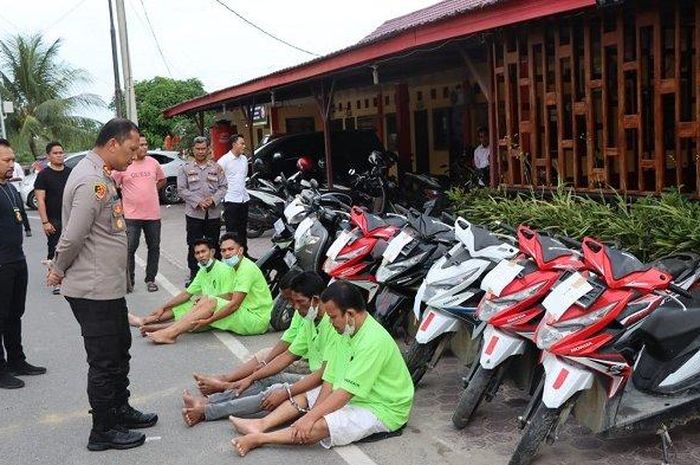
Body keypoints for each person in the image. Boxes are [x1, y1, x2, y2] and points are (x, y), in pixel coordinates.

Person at [47, 119, 157, 451]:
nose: (134, 153)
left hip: (108, 287)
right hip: (93, 290)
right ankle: (103, 430)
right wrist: (57, 269)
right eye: (130, 147)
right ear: (112, 144)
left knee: (119, 349)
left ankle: (119, 409)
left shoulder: (102, 174)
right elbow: (73, 235)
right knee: (104, 359)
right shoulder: (91, 180)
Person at [229, 280, 414, 457]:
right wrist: (312, 413)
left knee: (321, 425)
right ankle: (261, 424)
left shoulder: (373, 341)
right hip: (357, 395)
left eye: (332, 317)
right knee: (304, 397)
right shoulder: (344, 330)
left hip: (383, 408)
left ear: (349, 314)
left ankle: (260, 439)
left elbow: (345, 393)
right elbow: (330, 379)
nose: (330, 322)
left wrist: (311, 419)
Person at [181, 271, 336, 426]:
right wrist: (251, 377)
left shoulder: (333, 324)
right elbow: (288, 354)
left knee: (274, 390)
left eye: (299, 302)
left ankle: (208, 410)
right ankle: (210, 401)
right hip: (316, 376)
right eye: (292, 302)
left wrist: (287, 391)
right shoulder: (310, 319)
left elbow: (323, 375)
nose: (295, 307)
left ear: (316, 300)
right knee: (264, 377)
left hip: (325, 382)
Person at [192, 269, 305, 396]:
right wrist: (264, 363)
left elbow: (292, 351)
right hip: (300, 353)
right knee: (265, 357)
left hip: (310, 363)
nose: (291, 305)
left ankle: (226, 387)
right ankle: (226, 380)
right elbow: (288, 338)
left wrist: (264, 367)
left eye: (292, 299)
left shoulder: (314, 314)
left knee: (269, 373)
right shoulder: (301, 311)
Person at [146, 233, 272, 344]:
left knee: (209, 304)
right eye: (223, 250)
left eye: (230, 249)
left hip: (255, 319)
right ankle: (167, 330)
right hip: (246, 313)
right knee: (207, 300)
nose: (227, 253)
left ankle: (169, 332)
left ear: (240, 250)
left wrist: (209, 320)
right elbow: (230, 295)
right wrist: (208, 301)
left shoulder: (246, 269)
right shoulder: (235, 267)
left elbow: (234, 304)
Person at [0, 138, 45, 390]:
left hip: (17, 260)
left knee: (15, 314)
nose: (12, 164)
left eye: (13, 159)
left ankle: (17, 360)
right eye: (6, 160)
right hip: (1, 264)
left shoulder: (10, 188)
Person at [128, 238, 235, 335]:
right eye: (197, 253)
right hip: (206, 305)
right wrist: (163, 307)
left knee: (193, 319)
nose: (201, 255)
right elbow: (187, 293)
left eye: (203, 251)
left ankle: (158, 328)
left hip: (219, 309)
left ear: (212, 252)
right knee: (183, 305)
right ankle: (144, 321)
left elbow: (229, 297)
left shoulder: (224, 269)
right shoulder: (203, 270)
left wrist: (205, 300)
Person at [111, 135, 166, 293]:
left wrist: (151, 191)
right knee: (130, 249)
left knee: (154, 247)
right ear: (134, 146)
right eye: (140, 144)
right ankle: (130, 281)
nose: (143, 147)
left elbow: (162, 180)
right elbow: (113, 183)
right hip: (131, 216)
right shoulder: (124, 165)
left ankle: (150, 279)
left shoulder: (153, 163)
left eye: (145, 144)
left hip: (153, 215)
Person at [177, 136, 227, 285]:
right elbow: (181, 189)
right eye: (197, 149)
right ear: (193, 150)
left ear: (208, 149)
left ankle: (215, 275)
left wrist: (213, 200)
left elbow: (223, 187)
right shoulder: (185, 168)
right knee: (194, 244)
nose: (200, 151)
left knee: (213, 244)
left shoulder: (216, 167)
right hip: (194, 214)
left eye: (203, 148)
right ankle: (194, 275)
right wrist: (198, 201)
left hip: (213, 214)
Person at [34, 142, 71, 295]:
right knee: (54, 249)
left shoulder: (70, 172)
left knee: (71, 248)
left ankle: (70, 279)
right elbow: (40, 200)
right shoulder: (43, 175)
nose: (59, 155)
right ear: (49, 155)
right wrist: (45, 222)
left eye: (61, 152)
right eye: (55, 153)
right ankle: (55, 281)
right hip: (54, 219)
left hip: (71, 218)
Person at [218, 134, 250, 250]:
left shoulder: (244, 159)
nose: (244, 146)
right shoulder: (224, 161)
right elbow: (218, 179)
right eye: (241, 143)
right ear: (234, 145)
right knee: (231, 232)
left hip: (243, 199)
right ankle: (232, 255)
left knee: (243, 230)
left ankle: (244, 254)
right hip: (231, 200)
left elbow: (244, 176)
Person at [10, 161, 31, 237]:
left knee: (20, 210)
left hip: (16, 190)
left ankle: (27, 229)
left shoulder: (16, 165)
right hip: (4, 190)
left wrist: (12, 179)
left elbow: (22, 177)